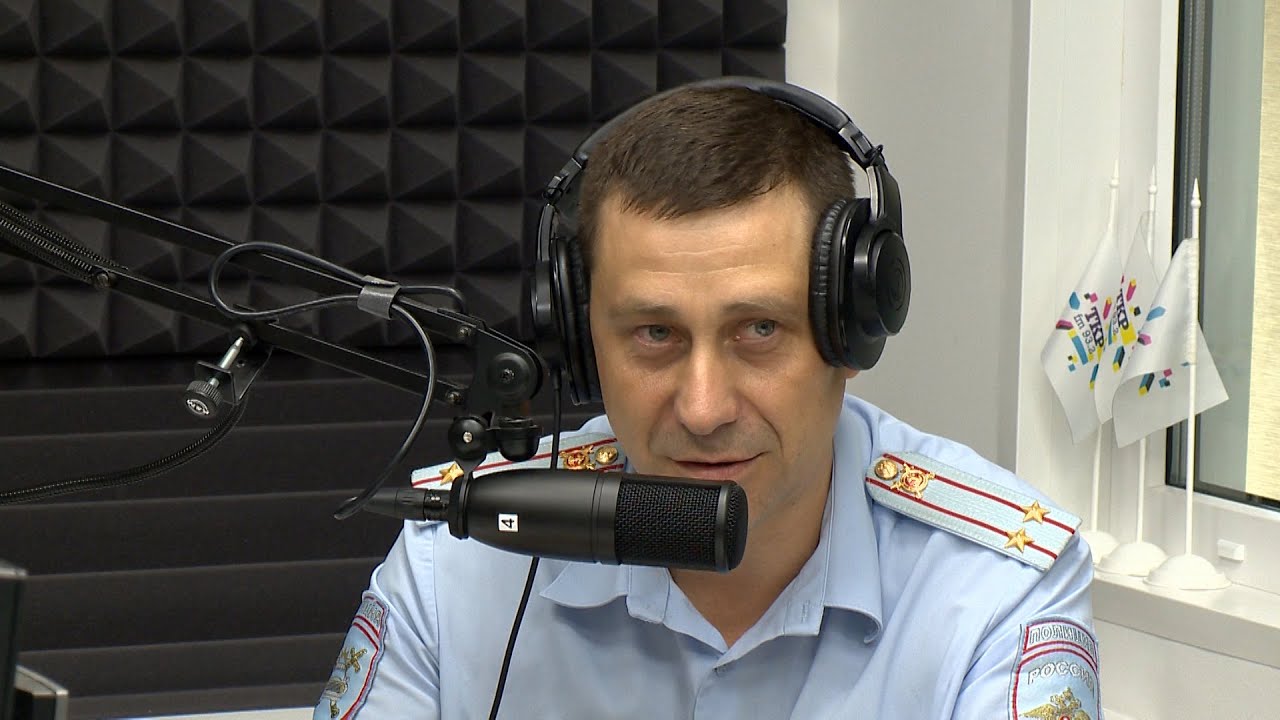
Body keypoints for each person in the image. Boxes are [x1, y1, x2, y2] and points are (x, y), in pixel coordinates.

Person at [316, 79, 1099, 719]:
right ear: (582, 344)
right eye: (654, 334)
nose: (702, 408)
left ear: (852, 332)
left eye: (759, 329)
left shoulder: (995, 587)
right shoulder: (462, 557)